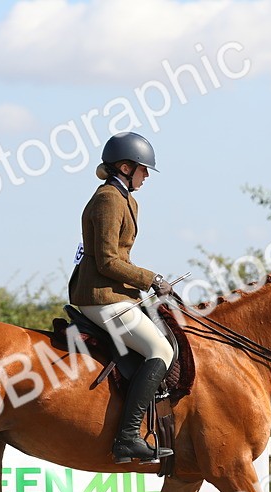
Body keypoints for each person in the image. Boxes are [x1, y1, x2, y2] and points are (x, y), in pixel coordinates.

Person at [68, 131, 175, 464]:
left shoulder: (126, 199)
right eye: (143, 170)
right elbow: (108, 261)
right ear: (126, 167)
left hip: (116, 295)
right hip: (100, 297)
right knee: (161, 349)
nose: (146, 176)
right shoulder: (109, 199)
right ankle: (127, 438)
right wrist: (151, 279)